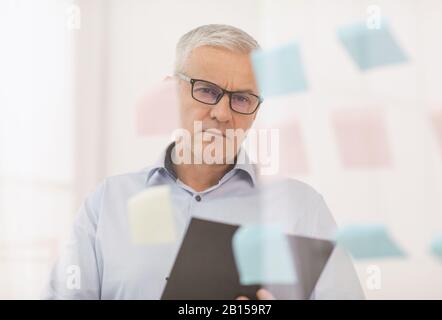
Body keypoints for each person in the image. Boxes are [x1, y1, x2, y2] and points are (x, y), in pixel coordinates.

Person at [43, 24, 364, 300]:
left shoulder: (302, 209)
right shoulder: (107, 202)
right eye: (207, 91)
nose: (222, 114)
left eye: (241, 99)